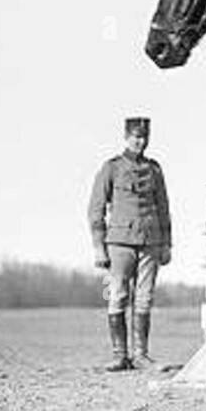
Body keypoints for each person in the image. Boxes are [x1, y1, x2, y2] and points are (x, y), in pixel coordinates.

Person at [87, 116, 172, 372]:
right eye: (136, 137)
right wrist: (99, 247)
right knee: (117, 296)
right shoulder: (111, 168)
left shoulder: (154, 169)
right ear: (126, 137)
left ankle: (141, 356)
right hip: (119, 243)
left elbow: (164, 208)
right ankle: (119, 356)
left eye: (144, 137)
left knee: (144, 298)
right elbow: (95, 210)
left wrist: (167, 243)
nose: (140, 142)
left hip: (150, 242)